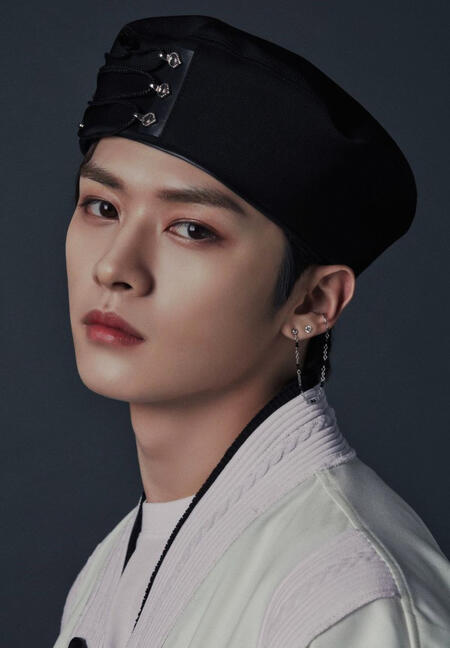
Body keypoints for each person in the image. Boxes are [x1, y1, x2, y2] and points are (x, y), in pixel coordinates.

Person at [54, 14, 450, 648]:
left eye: (191, 229)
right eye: (103, 207)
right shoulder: (109, 567)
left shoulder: (349, 601)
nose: (114, 267)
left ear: (314, 300)